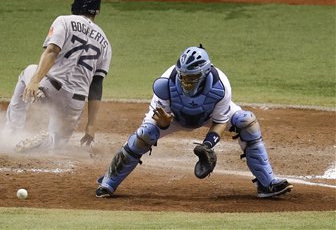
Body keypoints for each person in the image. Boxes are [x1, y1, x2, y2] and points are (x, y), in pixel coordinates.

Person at [96, 45, 293, 199]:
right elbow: (161, 123)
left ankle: (266, 184)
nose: (186, 82)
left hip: (207, 115)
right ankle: (108, 182)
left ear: (205, 73)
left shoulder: (220, 85)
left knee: (246, 121)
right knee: (144, 134)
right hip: (173, 115)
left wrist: (208, 145)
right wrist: (164, 122)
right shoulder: (165, 83)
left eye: (192, 78)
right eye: (184, 77)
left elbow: (220, 121)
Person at [4, 0, 112, 152]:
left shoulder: (64, 21)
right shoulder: (105, 43)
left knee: (28, 71)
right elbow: (96, 85)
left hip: (50, 88)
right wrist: (91, 125)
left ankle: (11, 133)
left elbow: (52, 51)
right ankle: (49, 140)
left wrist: (34, 82)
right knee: (57, 145)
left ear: (75, 6)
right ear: (97, 11)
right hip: (75, 103)